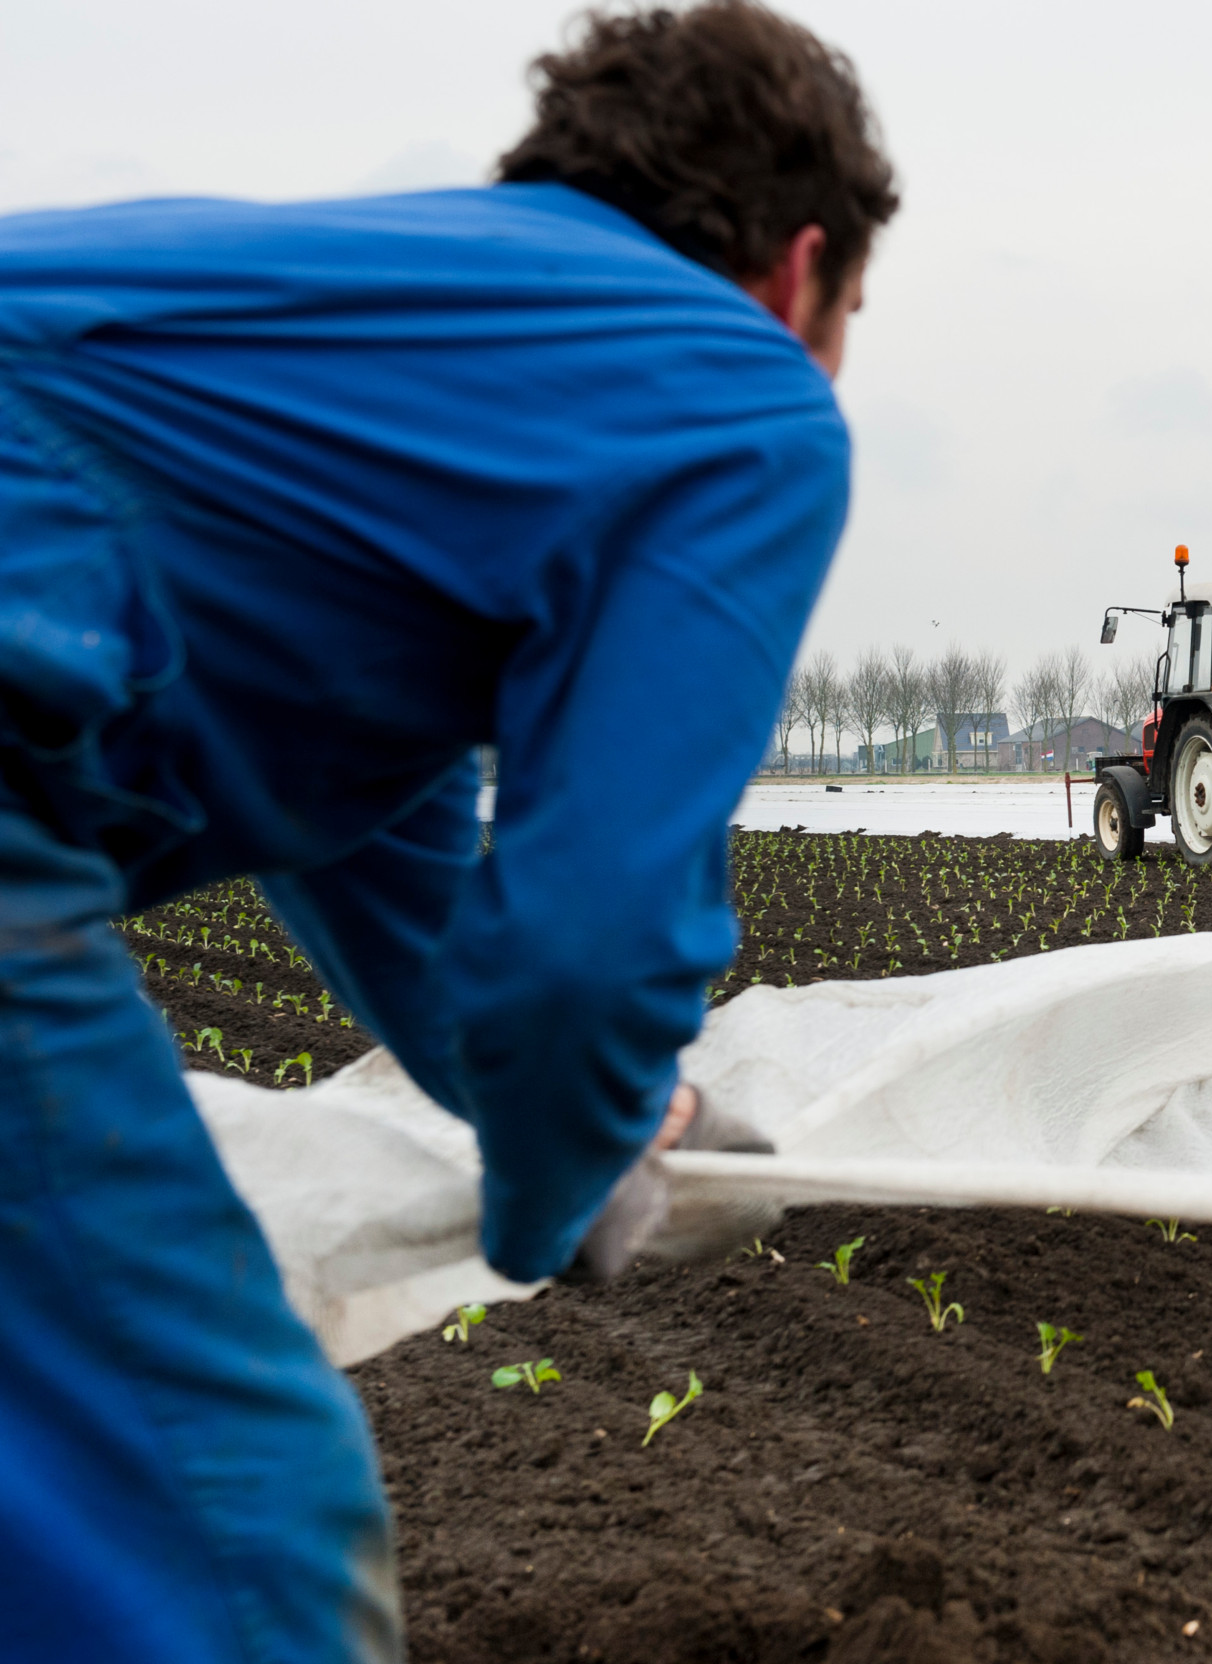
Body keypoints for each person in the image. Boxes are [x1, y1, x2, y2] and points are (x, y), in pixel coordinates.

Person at [0, 5, 896, 1659]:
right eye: (847, 316)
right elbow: (585, 940)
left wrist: (626, 1110)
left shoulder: (399, 372)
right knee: (218, 1521)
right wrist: (575, 1167)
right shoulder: (738, 390)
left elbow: (391, 841)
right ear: (801, 270)